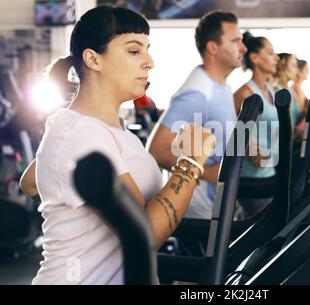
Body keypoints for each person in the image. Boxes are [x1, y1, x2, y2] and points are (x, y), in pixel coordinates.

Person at [19, 5, 215, 285]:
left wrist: (75, 215)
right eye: (134, 51)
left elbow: (31, 182)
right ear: (93, 59)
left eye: (147, 50)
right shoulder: (80, 132)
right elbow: (144, 233)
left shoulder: (104, 128)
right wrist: (191, 162)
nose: (149, 62)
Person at [147, 11, 247, 219]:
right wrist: (211, 172)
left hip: (218, 202)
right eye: (236, 41)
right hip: (198, 210)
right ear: (212, 47)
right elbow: (157, 150)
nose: (243, 48)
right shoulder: (198, 92)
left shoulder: (222, 85)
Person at [233, 32, 279, 216]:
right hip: (251, 179)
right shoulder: (244, 94)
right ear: (254, 58)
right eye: (270, 53)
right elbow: (243, 143)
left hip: (269, 174)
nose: (276, 58)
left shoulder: (270, 90)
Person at [273, 53, 303, 140]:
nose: (296, 71)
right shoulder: (276, 90)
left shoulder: (291, 91)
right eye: (293, 66)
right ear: (282, 66)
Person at [290, 59, 309, 134]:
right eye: (306, 69)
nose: (308, 72)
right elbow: (301, 112)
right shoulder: (296, 88)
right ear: (299, 71)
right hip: (297, 131)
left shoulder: (298, 88)